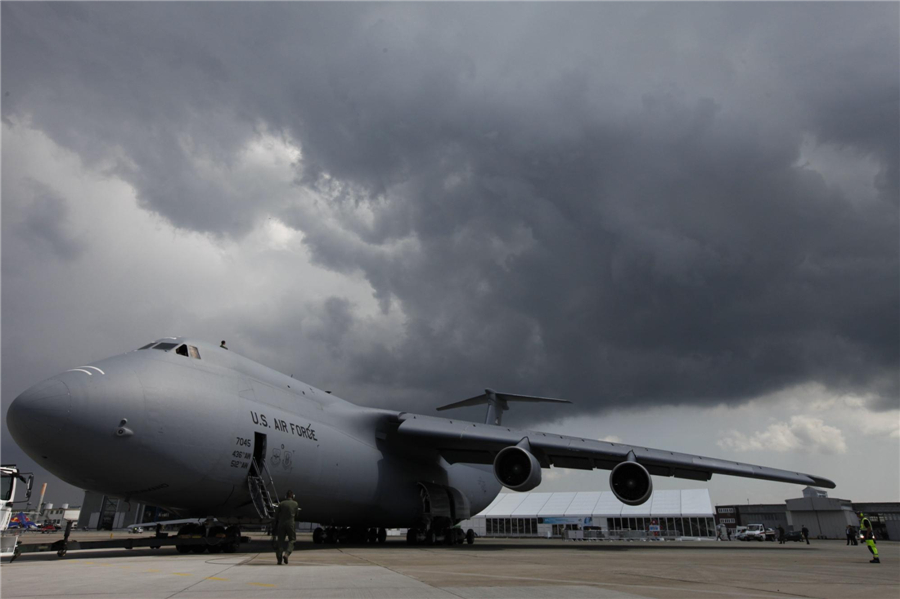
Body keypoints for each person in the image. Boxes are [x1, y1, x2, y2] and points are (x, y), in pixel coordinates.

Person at [274, 490, 300, 565]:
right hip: (290, 524)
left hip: (281, 524)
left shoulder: (281, 503)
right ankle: (286, 554)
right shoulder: (295, 504)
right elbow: (296, 515)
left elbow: (276, 514)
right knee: (292, 539)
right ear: (293, 496)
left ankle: (279, 560)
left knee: (280, 541)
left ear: (286, 496)